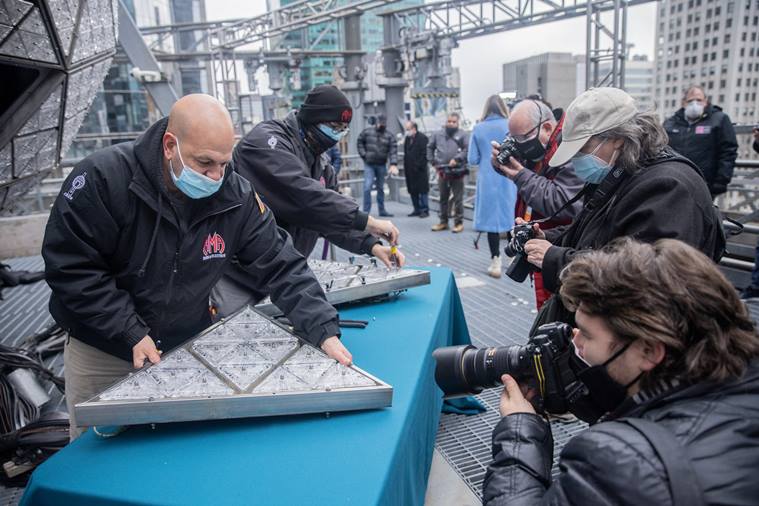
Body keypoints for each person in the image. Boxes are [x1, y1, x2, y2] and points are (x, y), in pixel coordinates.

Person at [42, 95, 352, 439]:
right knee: (93, 462)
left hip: (183, 347)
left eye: (224, 163)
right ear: (170, 145)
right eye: (205, 163)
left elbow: (281, 263)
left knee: (173, 456)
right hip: (104, 351)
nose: (216, 176)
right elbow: (71, 267)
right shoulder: (104, 179)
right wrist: (128, 329)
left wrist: (322, 328)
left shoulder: (234, 194)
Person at [483, 238, 759, 505]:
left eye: (588, 336)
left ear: (649, 351)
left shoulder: (620, 463)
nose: (574, 340)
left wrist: (520, 430)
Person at [520, 87, 724, 328]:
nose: (576, 161)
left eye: (582, 149)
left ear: (617, 138)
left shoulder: (668, 188)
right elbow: (601, 235)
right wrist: (549, 238)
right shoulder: (624, 172)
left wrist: (555, 258)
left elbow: (646, 277)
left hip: (646, 338)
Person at [213, 85, 405, 316]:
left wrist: (372, 246)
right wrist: (368, 221)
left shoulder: (321, 165)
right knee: (235, 334)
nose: (338, 135)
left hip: (283, 275)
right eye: (334, 127)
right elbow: (303, 195)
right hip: (238, 274)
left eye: (343, 130)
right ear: (312, 119)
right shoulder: (265, 142)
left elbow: (328, 219)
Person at [489, 98, 583, 305]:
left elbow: (563, 202)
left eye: (523, 139)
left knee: (560, 310)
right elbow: (533, 179)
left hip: (563, 252)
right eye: (513, 139)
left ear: (547, 128)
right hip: (544, 244)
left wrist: (520, 175)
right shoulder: (542, 147)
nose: (522, 146)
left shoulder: (569, 147)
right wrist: (502, 163)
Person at [468, 95, 515, 278]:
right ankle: (512, 257)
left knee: (491, 223)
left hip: (487, 181)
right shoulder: (510, 126)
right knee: (511, 219)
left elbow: (472, 159)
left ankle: (495, 261)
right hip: (509, 178)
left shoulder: (478, 128)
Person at [664, 85, 738, 198]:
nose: (695, 103)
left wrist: (721, 182)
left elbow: (728, 152)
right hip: (675, 182)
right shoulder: (671, 123)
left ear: (706, 101)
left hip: (705, 184)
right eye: (690, 100)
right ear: (683, 103)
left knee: (700, 214)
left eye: (699, 100)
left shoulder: (719, 119)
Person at [428, 112, 469, 233]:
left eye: (453, 122)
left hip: (458, 172)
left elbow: (467, 149)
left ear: (458, 123)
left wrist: (457, 159)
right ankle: (443, 222)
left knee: (458, 199)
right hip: (442, 171)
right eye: (449, 121)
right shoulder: (437, 134)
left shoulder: (463, 135)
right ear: (445, 122)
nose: (451, 124)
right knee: (443, 198)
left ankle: (458, 223)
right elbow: (429, 147)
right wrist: (432, 161)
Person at [357, 114, 399, 217]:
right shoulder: (367, 132)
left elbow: (393, 150)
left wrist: (393, 164)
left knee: (380, 188)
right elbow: (359, 142)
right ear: (377, 122)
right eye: (380, 123)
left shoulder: (389, 135)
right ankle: (366, 212)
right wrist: (364, 155)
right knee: (367, 187)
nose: (381, 125)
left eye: (383, 123)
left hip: (381, 164)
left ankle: (382, 210)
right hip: (369, 164)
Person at [403, 121, 429, 218]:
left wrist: (418, 166)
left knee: (422, 190)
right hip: (409, 170)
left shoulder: (422, 138)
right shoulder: (407, 139)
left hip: (420, 170)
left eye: (408, 129)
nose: (407, 131)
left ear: (414, 129)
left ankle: (425, 210)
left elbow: (424, 154)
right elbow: (406, 153)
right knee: (412, 190)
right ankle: (416, 209)